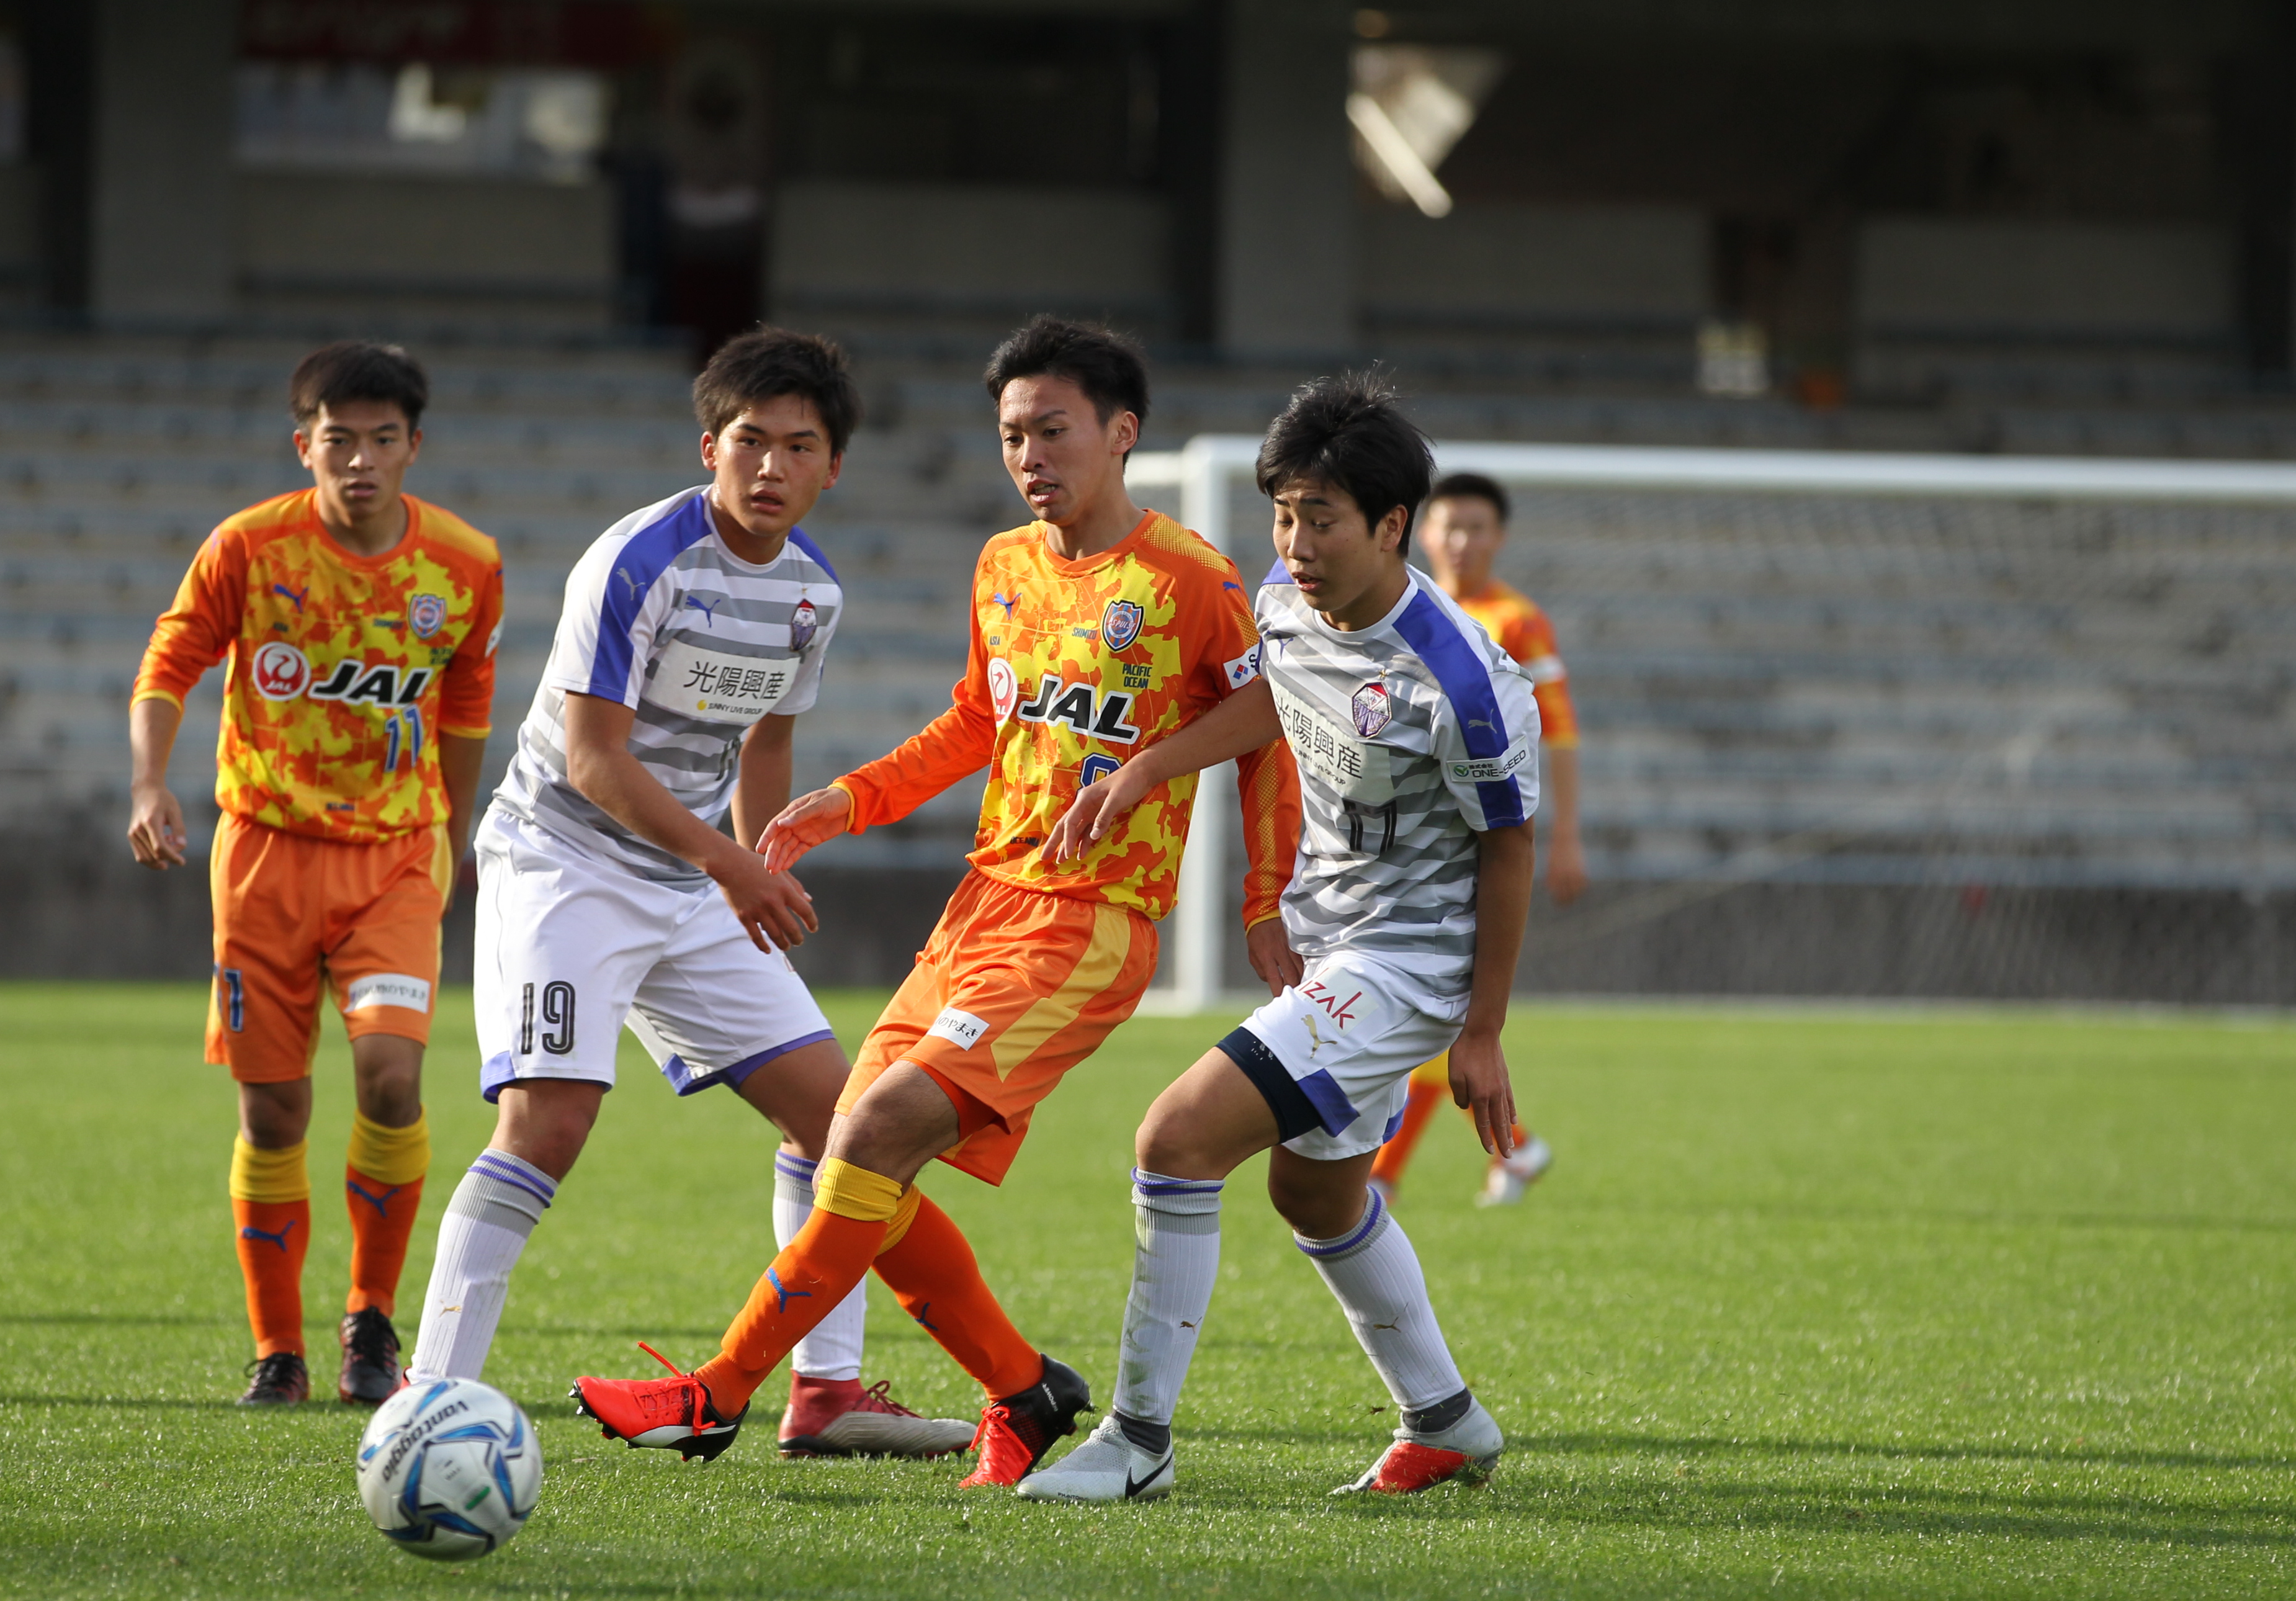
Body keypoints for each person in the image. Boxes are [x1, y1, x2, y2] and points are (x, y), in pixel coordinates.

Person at [569, 315, 1301, 1487]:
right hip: (979, 911)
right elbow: (977, 718)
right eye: (1012, 435)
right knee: (851, 1159)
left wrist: (1247, 879)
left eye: (1052, 431)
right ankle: (1024, 1390)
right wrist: (845, 802)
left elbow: (1268, 720)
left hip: (1088, 921)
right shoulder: (1004, 565)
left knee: (869, 1135)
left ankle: (718, 1391)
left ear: (1121, 435)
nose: (1029, 456)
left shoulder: (1191, 580)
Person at [404, 326, 969, 1461]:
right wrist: (734, 866)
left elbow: (767, 744)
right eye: (749, 442)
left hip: (694, 875)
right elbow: (593, 760)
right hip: (563, 863)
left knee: (845, 1120)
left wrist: (763, 863)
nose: (770, 468)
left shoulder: (811, 594)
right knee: (550, 1119)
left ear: (832, 468)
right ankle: (428, 1402)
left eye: (797, 448)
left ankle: (827, 1396)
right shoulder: (636, 562)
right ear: (709, 445)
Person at [1018, 372, 1535, 1504]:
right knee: (1315, 1196)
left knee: (1174, 1139)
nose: (1295, 543)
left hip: (1409, 964)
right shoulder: (1289, 599)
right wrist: (1154, 763)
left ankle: (1138, 1440)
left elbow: (1509, 847)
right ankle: (1445, 1423)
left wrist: (1482, 1028)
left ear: (1392, 526)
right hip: (1335, 938)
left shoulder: (1465, 680)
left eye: (1323, 519)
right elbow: (1282, 698)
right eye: (1284, 514)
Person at [128, 341, 501, 1409]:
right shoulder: (248, 548)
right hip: (263, 858)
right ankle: (278, 1350)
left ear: (414, 448)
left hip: (393, 860)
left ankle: (371, 1325)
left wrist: (451, 837)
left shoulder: (465, 564)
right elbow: (170, 664)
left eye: (385, 439)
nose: (363, 460)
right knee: (275, 1114)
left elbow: (467, 709)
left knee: (392, 1077)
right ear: (307, 446)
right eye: (340, 439)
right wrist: (152, 785)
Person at [1365, 469, 1585, 1209]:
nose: (1461, 541)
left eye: (1477, 528)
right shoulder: (1398, 608)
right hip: (1402, 841)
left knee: (1434, 1006)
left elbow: (1558, 733)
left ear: (1500, 537)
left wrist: (1565, 838)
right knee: (1428, 1007)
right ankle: (1510, 1152)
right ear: (1420, 531)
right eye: (1449, 526)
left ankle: (1385, 1175)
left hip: (1476, 844)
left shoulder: (1517, 620)